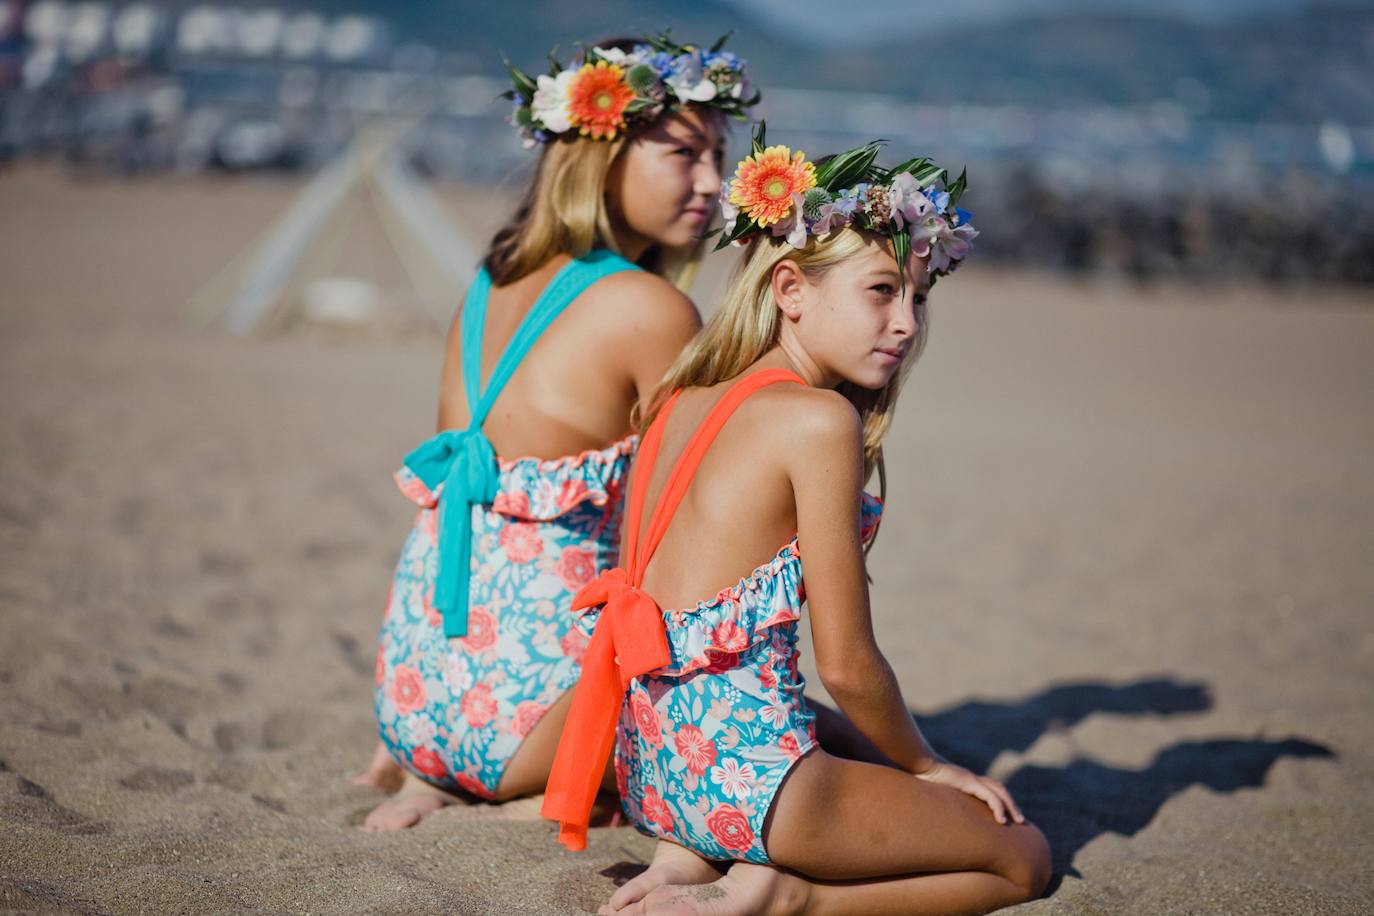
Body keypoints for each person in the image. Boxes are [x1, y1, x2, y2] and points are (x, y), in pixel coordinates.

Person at [543, 131, 1051, 914]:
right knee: (1022, 856)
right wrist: (925, 768)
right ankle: (787, 897)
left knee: (858, 743)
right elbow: (847, 666)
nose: (907, 323)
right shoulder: (817, 423)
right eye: (882, 291)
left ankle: (705, 858)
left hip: (652, 770)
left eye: (918, 297)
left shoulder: (681, 395)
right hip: (753, 786)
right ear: (790, 289)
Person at [357, 33, 760, 831]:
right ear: (600, 155)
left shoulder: (492, 276)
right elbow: (711, 513)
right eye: (685, 154)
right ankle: (549, 787)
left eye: (720, 155)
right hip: (531, 726)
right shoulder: (648, 308)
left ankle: (434, 777)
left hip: (411, 699)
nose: (715, 183)